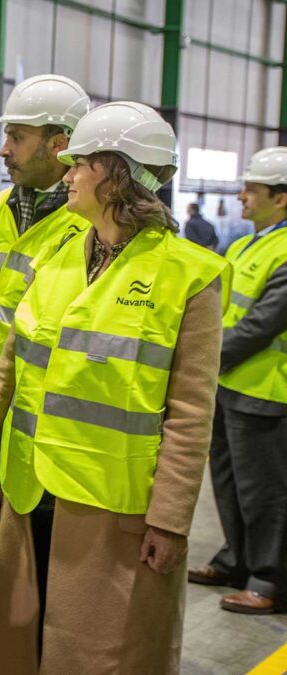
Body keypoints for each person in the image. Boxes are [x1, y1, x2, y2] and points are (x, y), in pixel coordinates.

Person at [0, 102, 229, 674]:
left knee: (97, 652)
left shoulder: (190, 275)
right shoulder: (59, 257)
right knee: (21, 642)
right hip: (29, 483)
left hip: (112, 502)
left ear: (118, 174)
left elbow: (190, 413)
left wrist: (171, 519)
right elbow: (15, 359)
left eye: (81, 163)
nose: (67, 175)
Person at [189, 146, 287, 615]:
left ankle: (268, 580)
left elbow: (259, 326)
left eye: (252, 188)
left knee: (265, 492)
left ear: (281, 197)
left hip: (267, 392)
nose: (241, 195)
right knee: (227, 484)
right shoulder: (246, 244)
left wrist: (199, 358)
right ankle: (234, 559)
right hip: (227, 386)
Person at [0, 74, 93, 364]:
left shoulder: (92, 224)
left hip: (41, 394)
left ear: (58, 144)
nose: (3, 150)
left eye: (16, 137)